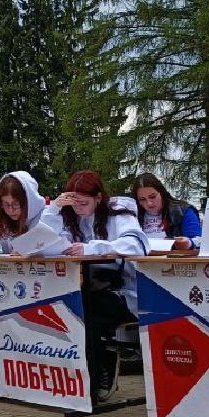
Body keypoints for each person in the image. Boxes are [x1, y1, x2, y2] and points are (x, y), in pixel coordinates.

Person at [44, 171, 149, 402]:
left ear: (99, 198)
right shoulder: (69, 218)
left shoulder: (120, 214)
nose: (79, 208)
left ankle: (100, 369)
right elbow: (41, 241)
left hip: (121, 292)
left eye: (84, 203)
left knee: (87, 310)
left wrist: (92, 248)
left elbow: (137, 244)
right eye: (74, 203)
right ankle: (76, 374)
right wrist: (53, 210)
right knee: (64, 307)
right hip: (82, 287)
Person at [0, 171, 59, 254]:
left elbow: (59, 243)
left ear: (28, 201)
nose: (10, 210)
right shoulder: (2, 220)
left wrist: (26, 248)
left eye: (15, 204)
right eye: (6, 204)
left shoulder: (48, 214)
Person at [131, 173, 203, 249]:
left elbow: (199, 240)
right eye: (142, 199)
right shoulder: (132, 214)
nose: (149, 203)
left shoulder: (182, 210)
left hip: (174, 259)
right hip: (138, 259)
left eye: (152, 197)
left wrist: (188, 243)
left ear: (161, 193)